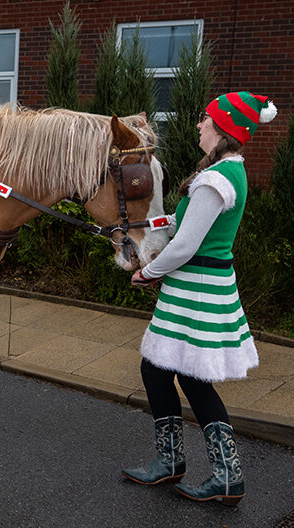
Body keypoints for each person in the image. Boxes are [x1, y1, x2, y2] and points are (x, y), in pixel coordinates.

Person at [122, 92, 276, 506]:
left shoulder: (217, 179)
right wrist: (144, 223)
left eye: (205, 119)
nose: (198, 125)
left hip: (197, 289)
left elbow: (186, 243)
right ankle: (180, 463)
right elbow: (183, 221)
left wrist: (148, 272)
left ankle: (222, 475)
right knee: (163, 371)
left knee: (184, 375)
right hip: (200, 286)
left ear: (224, 127)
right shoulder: (226, 170)